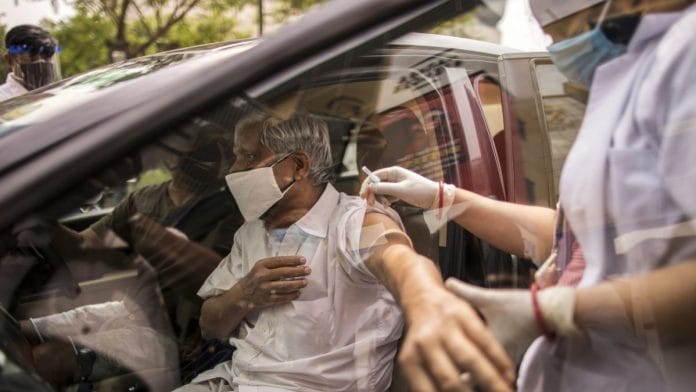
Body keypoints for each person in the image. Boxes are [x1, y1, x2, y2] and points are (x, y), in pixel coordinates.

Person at [361, 0, 696, 390]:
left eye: (562, 31)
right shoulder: (632, 74)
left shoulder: (683, 60)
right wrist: (443, 196)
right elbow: (571, 234)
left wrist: (555, 309)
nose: (553, 45)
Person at [176, 113, 515, 392]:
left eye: (248, 156)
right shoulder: (250, 232)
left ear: (297, 166)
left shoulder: (354, 221)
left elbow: (397, 258)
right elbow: (210, 326)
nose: (233, 170)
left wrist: (427, 302)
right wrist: (244, 294)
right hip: (232, 381)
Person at [0, 24, 60, 100]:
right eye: (31, 58)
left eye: (47, 56)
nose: (41, 63)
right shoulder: (2, 100)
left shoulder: (63, 94)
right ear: (9, 60)